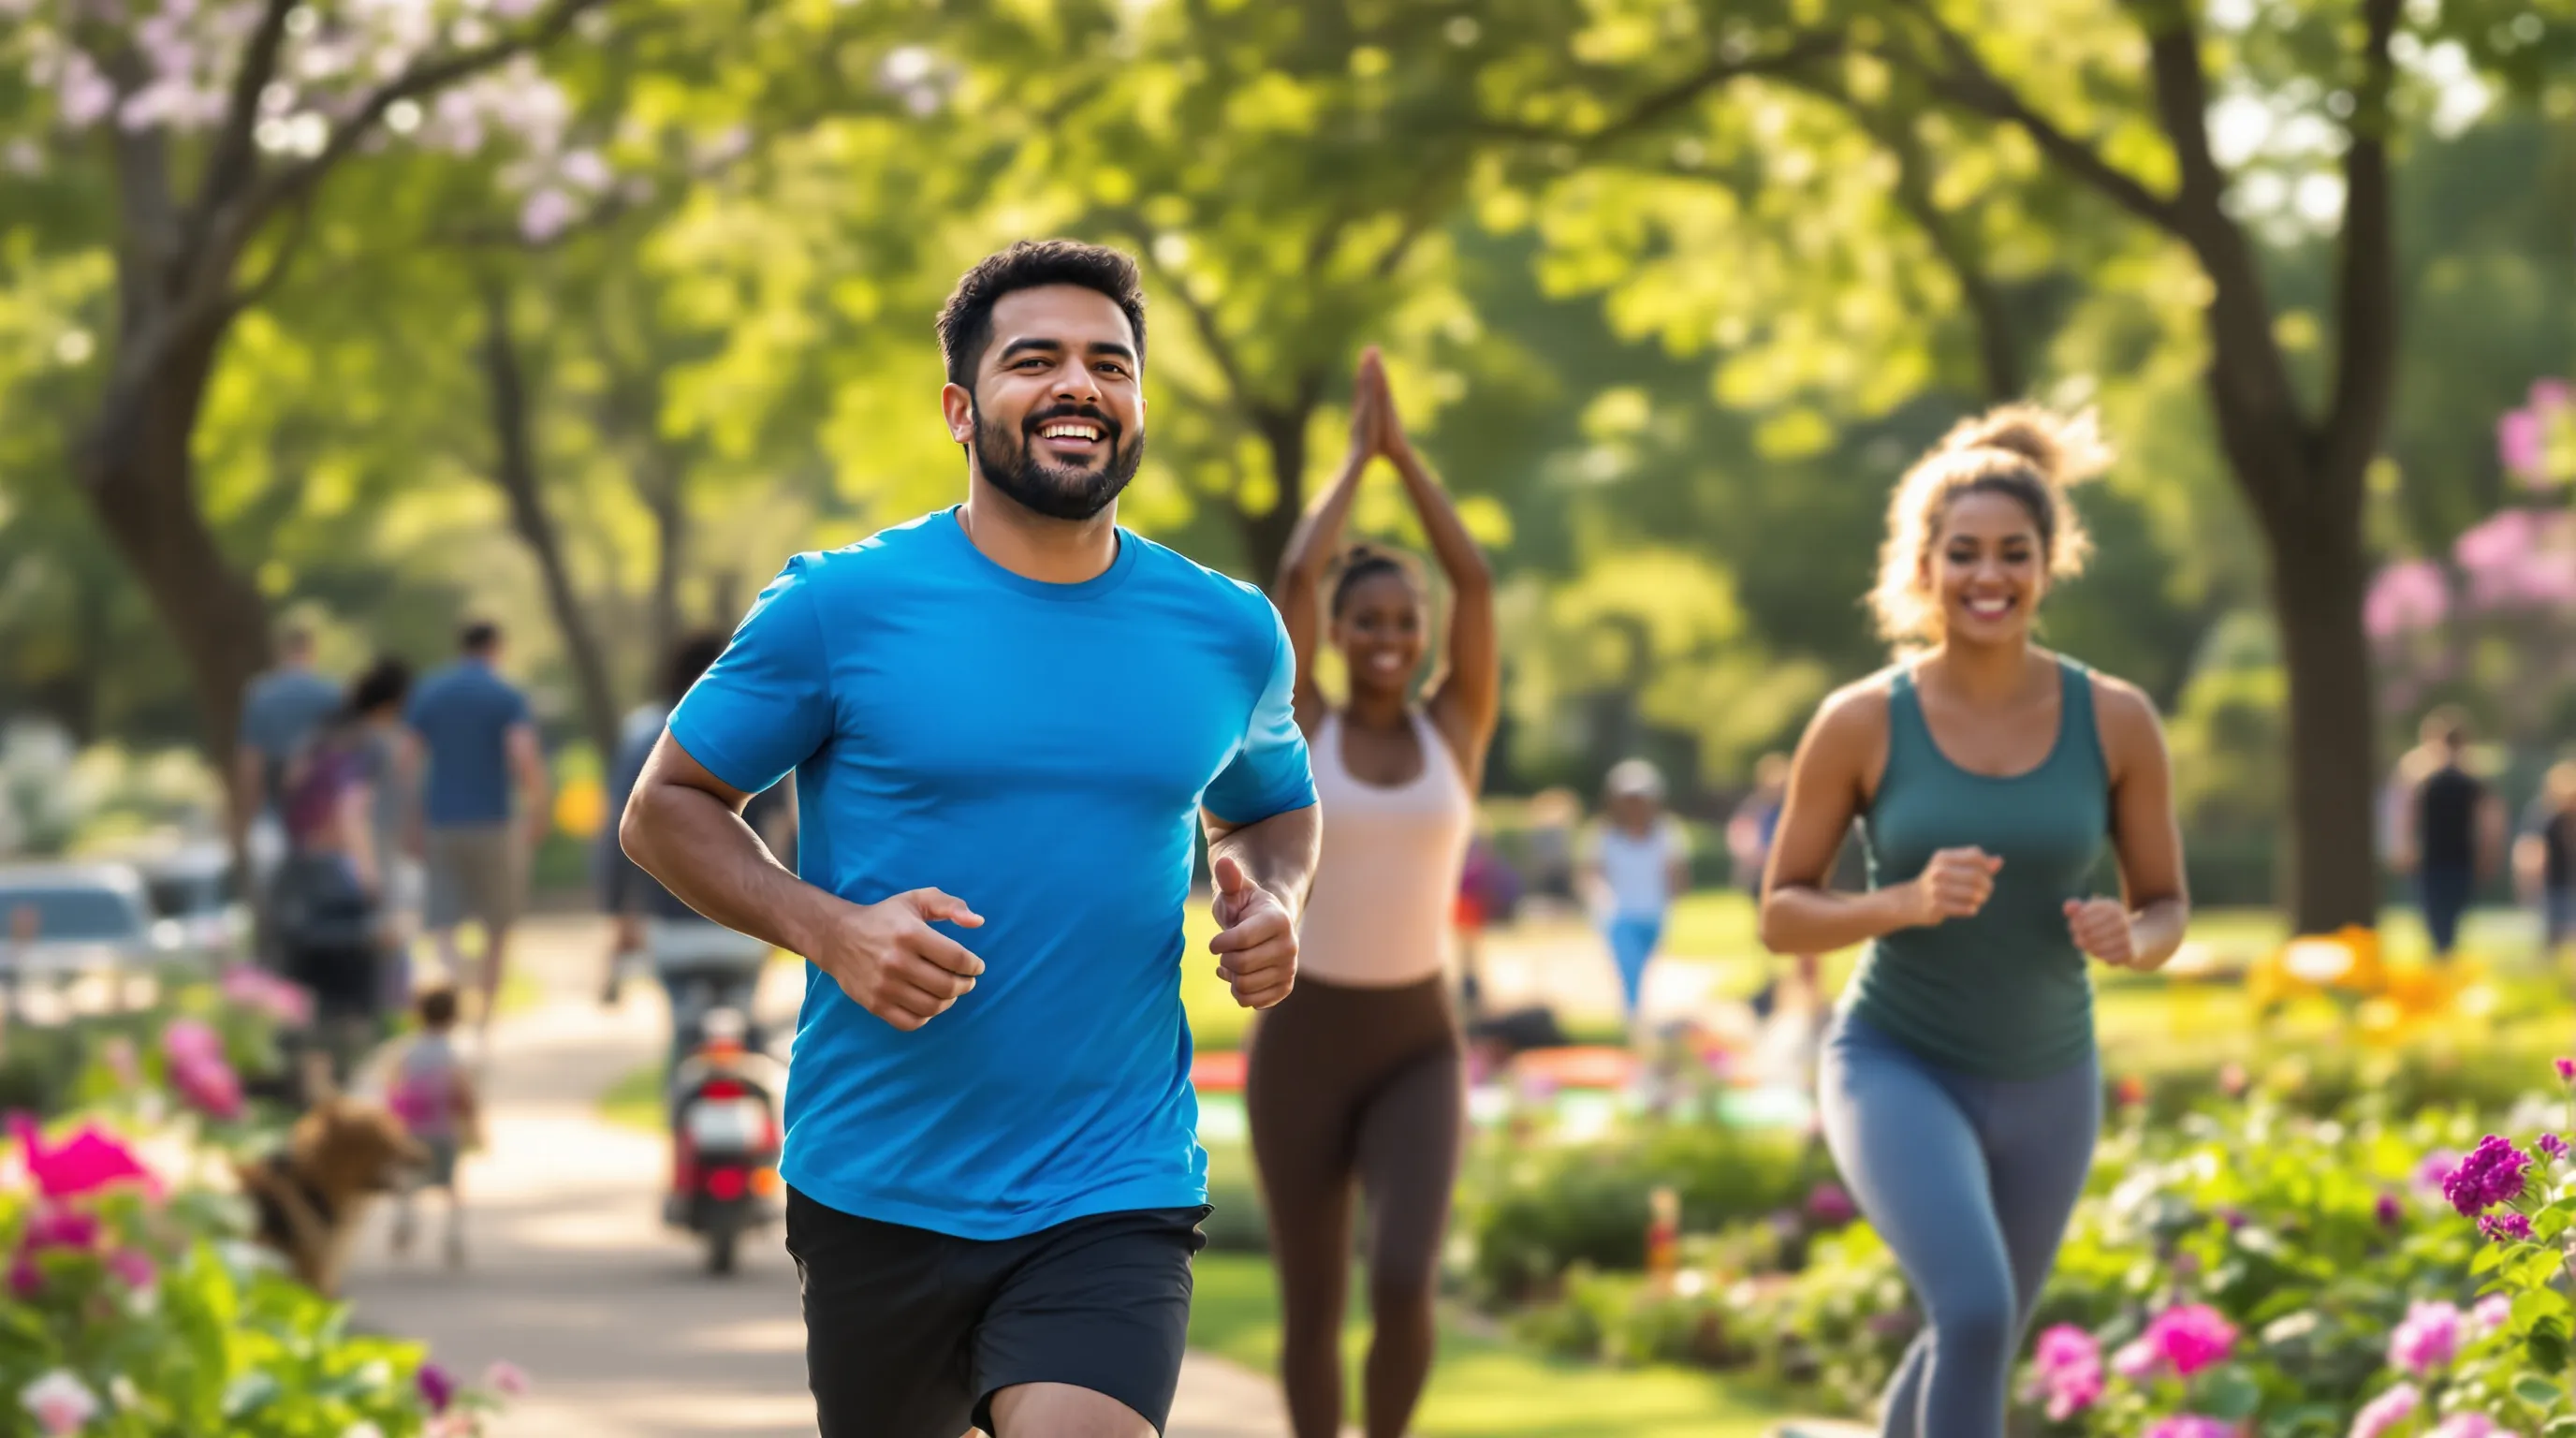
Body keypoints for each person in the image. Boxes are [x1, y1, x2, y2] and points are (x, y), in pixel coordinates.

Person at [617, 240, 1320, 1438]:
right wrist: (828, 930)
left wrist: (1278, 900)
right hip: (879, 1178)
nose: (1078, 385)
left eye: (1110, 363)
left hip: (1113, 1179)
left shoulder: (1227, 632)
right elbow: (665, 808)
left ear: (1137, 404)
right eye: (1033, 359)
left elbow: (1270, 805)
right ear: (961, 407)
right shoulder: (840, 607)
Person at [1758, 405, 2188, 1438]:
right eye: (1962, 554)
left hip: (2051, 1076)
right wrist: (1897, 903)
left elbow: (2166, 901)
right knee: (1976, 1309)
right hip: (1895, 1062)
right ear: (1921, 565)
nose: (1986, 576)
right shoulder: (1862, 720)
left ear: (2050, 564)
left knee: (1974, 1330)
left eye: (2013, 554)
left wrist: (2139, 941)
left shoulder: (2116, 718)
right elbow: (1780, 912)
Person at [1255, 345, 1500, 1438]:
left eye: (1407, 622)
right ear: (1343, 639)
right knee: (1311, 1308)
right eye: (1371, 623)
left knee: (1403, 1277)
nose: (1392, 639)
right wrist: (1355, 464)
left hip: (1416, 1044)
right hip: (1303, 1040)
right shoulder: (1305, 727)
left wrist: (1409, 463)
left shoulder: (1458, 728)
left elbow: (1479, 584)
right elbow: (1296, 584)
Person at [598, 632, 797, 1074]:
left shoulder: (643, 737)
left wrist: (619, 919)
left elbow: (622, 834)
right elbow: (785, 829)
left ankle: (680, 1118)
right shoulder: (763, 727)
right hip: (747, 930)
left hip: (672, 933)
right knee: (748, 1036)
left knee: (683, 1044)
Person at [402, 621, 549, 1041]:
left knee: (444, 924)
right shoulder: (505, 694)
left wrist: (412, 817)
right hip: (494, 822)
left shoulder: (430, 693)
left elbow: (407, 758)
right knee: (498, 925)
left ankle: (447, 1014)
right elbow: (522, 753)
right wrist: (537, 805)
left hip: (441, 822)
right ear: (496, 648)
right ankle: (485, 1020)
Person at [274, 682, 393, 1085]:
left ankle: (315, 1083)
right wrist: (372, 882)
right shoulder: (347, 770)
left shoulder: (302, 767)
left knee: (311, 1003)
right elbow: (350, 820)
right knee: (355, 1000)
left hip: (300, 886)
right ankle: (353, 1080)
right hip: (339, 888)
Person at [234, 624, 342, 952]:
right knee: (323, 894)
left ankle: (276, 962)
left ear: (282, 653)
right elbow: (343, 760)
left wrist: (248, 812)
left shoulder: (261, 696)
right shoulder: (331, 694)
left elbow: (250, 762)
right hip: (322, 818)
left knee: (273, 895)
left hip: (274, 810)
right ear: (311, 652)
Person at [1580, 758, 1690, 1029]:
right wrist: (1600, 896)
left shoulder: (1666, 832)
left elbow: (1676, 873)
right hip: (1619, 913)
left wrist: (1674, 896)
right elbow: (1591, 872)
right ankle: (1633, 1022)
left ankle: (1637, 1019)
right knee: (1629, 968)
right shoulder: (1604, 834)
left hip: (1653, 912)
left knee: (1643, 968)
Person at [2391, 709, 2504, 960]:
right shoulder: (2473, 782)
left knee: (2437, 921)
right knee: (2450, 922)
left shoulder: (2423, 780)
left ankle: (2442, 960)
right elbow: (2490, 824)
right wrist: (2488, 856)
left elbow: (2406, 818)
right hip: (2458, 860)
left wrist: (2405, 849)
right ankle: (2446, 960)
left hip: (2433, 860)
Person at [386, 984, 478, 1269]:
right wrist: (473, 1123)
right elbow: (463, 1092)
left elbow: (393, 1085)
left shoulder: (408, 1049)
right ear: (453, 1016)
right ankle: (453, 1234)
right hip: (443, 1128)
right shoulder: (452, 1052)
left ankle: (404, 1218)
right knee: (450, 1184)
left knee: (409, 1180)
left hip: (412, 1128)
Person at [344, 657, 417, 1016]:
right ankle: (394, 1007)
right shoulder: (380, 742)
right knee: (389, 927)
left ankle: (388, 1008)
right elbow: (361, 804)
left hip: (371, 843)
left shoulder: (354, 738)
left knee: (385, 927)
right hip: (376, 843)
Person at [2518, 761, 2576, 968]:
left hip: (2569, 886)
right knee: (2552, 940)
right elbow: (2532, 853)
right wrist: (2529, 885)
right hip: (2554, 885)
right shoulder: (2546, 817)